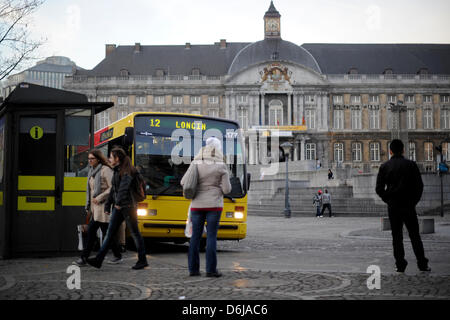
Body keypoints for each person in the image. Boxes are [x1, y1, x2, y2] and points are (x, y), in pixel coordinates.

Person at [87, 147, 148, 270]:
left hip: (129, 207)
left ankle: (142, 260)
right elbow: (114, 190)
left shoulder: (128, 171)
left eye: (111, 157)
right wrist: (108, 205)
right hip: (119, 207)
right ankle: (99, 260)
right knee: (109, 233)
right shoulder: (117, 170)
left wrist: (118, 203)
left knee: (135, 233)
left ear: (117, 158)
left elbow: (123, 189)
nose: (109, 159)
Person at [375, 139, 430, 273]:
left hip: (393, 206)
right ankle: (422, 263)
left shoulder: (385, 166)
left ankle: (400, 264)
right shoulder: (411, 165)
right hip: (408, 205)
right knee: (414, 236)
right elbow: (419, 186)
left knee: (397, 236)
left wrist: (388, 199)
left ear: (390, 151)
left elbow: (379, 188)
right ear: (403, 150)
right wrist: (413, 201)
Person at [181, 137, 232, 277]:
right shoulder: (221, 165)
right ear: (218, 149)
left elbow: (183, 181)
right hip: (214, 205)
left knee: (195, 237)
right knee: (211, 237)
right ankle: (211, 270)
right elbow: (227, 189)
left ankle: (193, 269)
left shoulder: (196, 162)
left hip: (197, 205)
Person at [73, 150, 122, 266]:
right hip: (95, 209)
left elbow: (113, 187)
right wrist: (89, 206)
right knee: (102, 233)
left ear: (98, 159)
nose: (89, 161)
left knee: (101, 233)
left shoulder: (106, 170)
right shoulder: (91, 171)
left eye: (92, 159)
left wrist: (100, 197)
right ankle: (117, 255)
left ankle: (84, 258)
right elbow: (90, 191)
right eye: (89, 159)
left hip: (104, 207)